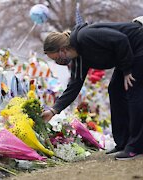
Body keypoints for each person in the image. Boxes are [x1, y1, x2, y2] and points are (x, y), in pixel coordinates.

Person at [41, 18, 143, 160]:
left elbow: (121, 39)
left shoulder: (85, 37)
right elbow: (74, 86)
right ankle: (123, 142)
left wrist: (127, 70)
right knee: (115, 89)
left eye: (57, 58)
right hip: (126, 54)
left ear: (63, 50)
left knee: (133, 90)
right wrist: (53, 110)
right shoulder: (79, 58)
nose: (59, 62)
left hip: (138, 43)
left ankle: (136, 146)